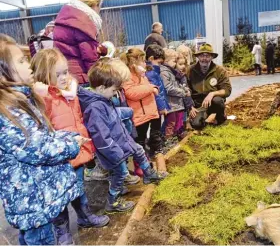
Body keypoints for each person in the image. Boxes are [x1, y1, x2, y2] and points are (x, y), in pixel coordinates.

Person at [0, 39, 85, 245]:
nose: (28, 66)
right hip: (32, 200)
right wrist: (72, 144)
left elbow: (43, 136)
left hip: (36, 196)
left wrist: (67, 136)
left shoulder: (21, 101)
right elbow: (36, 148)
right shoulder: (9, 110)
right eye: (20, 61)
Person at [30, 48, 110, 244]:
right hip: (57, 160)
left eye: (66, 72)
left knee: (79, 189)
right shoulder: (44, 99)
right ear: (43, 75)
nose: (64, 77)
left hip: (76, 153)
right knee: (59, 200)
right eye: (58, 74)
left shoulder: (70, 94)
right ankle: (63, 233)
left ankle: (85, 216)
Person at [78, 58, 166, 213]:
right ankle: (113, 200)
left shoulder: (105, 100)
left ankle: (149, 174)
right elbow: (101, 136)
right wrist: (115, 153)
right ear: (101, 87)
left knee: (139, 150)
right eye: (113, 91)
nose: (115, 94)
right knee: (120, 175)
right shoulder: (95, 108)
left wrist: (125, 114)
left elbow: (113, 118)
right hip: (113, 150)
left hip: (123, 140)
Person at [121, 48, 168, 174]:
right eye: (142, 61)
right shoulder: (127, 77)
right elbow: (131, 93)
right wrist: (150, 88)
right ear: (133, 63)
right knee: (140, 140)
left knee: (154, 135)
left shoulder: (143, 76)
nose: (145, 64)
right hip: (139, 115)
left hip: (151, 112)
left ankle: (156, 160)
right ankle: (140, 165)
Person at [54, 0, 108, 85]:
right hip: (80, 77)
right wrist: (99, 79)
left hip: (65, 73)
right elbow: (90, 58)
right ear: (95, 5)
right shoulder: (84, 22)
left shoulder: (67, 16)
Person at [186, 43, 232, 129]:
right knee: (197, 125)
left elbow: (227, 90)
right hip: (198, 105)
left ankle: (220, 118)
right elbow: (186, 90)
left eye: (207, 56)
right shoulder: (190, 70)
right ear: (198, 57)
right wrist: (190, 106)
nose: (204, 59)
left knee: (217, 100)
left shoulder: (220, 70)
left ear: (212, 57)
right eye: (202, 56)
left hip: (214, 103)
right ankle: (203, 117)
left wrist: (212, 94)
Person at [144, 45, 171, 166]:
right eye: (158, 62)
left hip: (154, 106)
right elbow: (157, 93)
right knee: (155, 128)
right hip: (154, 107)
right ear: (151, 58)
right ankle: (156, 148)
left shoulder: (154, 71)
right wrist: (162, 107)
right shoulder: (151, 73)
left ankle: (154, 146)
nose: (160, 65)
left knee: (156, 127)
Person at [160, 49, 188, 144]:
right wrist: (182, 92)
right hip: (170, 104)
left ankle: (174, 137)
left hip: (176, 103)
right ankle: (168, 140)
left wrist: (184, 89)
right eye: (174, 61)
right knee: (170, 123)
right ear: (166, 61)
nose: (176, 63)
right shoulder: (164, 72)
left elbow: (176, 84)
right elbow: (168, 88)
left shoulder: (171, 71)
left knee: (177, 121)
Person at [175, 52, 194, 138]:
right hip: (177, 103)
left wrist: (190, 105)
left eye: (184, 64)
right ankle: (178, 133)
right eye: (180, 64)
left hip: (184, 102)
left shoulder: (183, 76)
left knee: (183, 117)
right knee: (177, 120)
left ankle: (182, 131)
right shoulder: (176, 77)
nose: (183, 66)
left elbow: (186, 90)